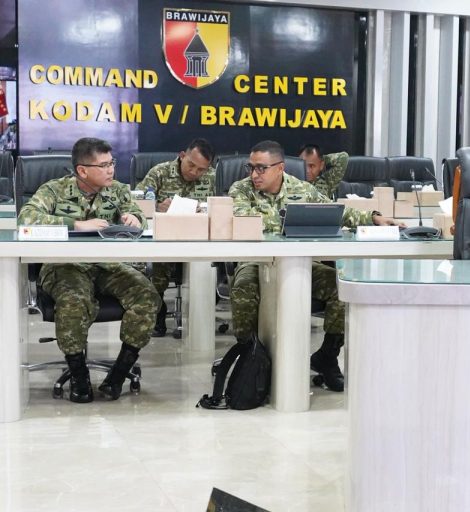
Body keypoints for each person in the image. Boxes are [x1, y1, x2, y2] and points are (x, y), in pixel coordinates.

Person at [229, 140, 401, 392]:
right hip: (256, 262)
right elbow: (247, 220)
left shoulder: (301, 189)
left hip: (300, 265)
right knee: (243, 289)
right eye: (251, 167)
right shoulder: (240, 189)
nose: (254, 174)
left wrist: (373, 218)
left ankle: (327, 356)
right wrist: (299, 221)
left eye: (261, 168)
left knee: (341, 288)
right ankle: (250, 356)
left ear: (280, 168)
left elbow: (335, 212)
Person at [17, 137, 160, 403]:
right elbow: (26, 218)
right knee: (75, 300)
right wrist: (75, 224)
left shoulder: (117, 191)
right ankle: (79, 374)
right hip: (64, 266)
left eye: (112, 163)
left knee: (147, 295)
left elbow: (138, 217)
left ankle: (119, 373)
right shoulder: (55, 190)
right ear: (82, 170)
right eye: (104, 165)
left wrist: (134, 218)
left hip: (106, 265)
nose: (111, 170)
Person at [136, 138, 216, 336]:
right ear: (182, 156)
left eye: (201, 169)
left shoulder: (213, 177)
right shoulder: (159, 172)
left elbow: (222, 207)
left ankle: (198, 321)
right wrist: (157, 206)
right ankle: (158, 313)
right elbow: (137, 203)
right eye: (191, 165)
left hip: (199, 239)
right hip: (166, 239)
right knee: (157, 266)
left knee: (209, 266)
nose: (195, 172)